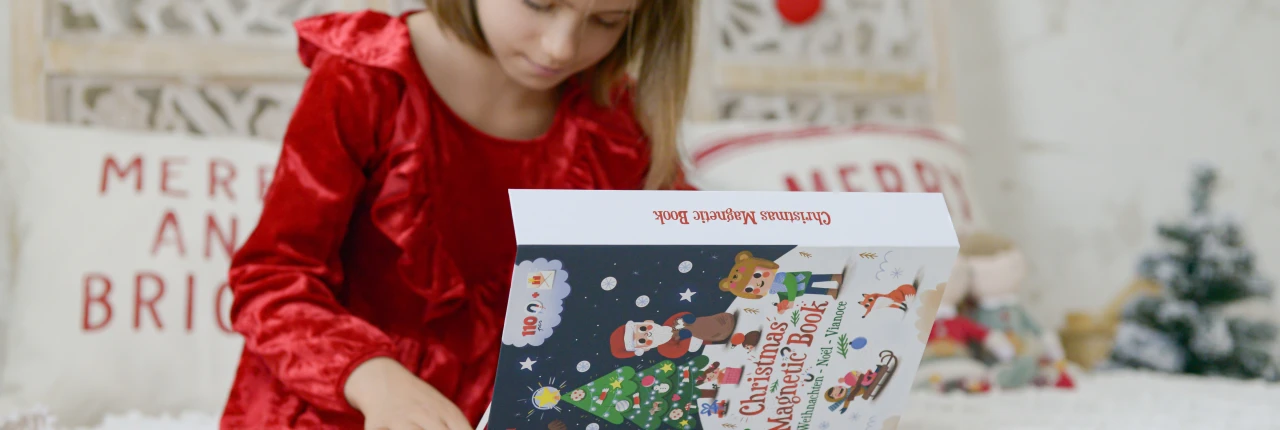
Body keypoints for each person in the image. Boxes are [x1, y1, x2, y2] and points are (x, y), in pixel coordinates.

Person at [220, 1, 699, 429]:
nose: (560, 48)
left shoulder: (617, 119)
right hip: (341, 403)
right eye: (538, 4)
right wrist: (374, 379)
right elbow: (271, 280)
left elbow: (688, 269)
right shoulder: (367, 77)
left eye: (607, 22)